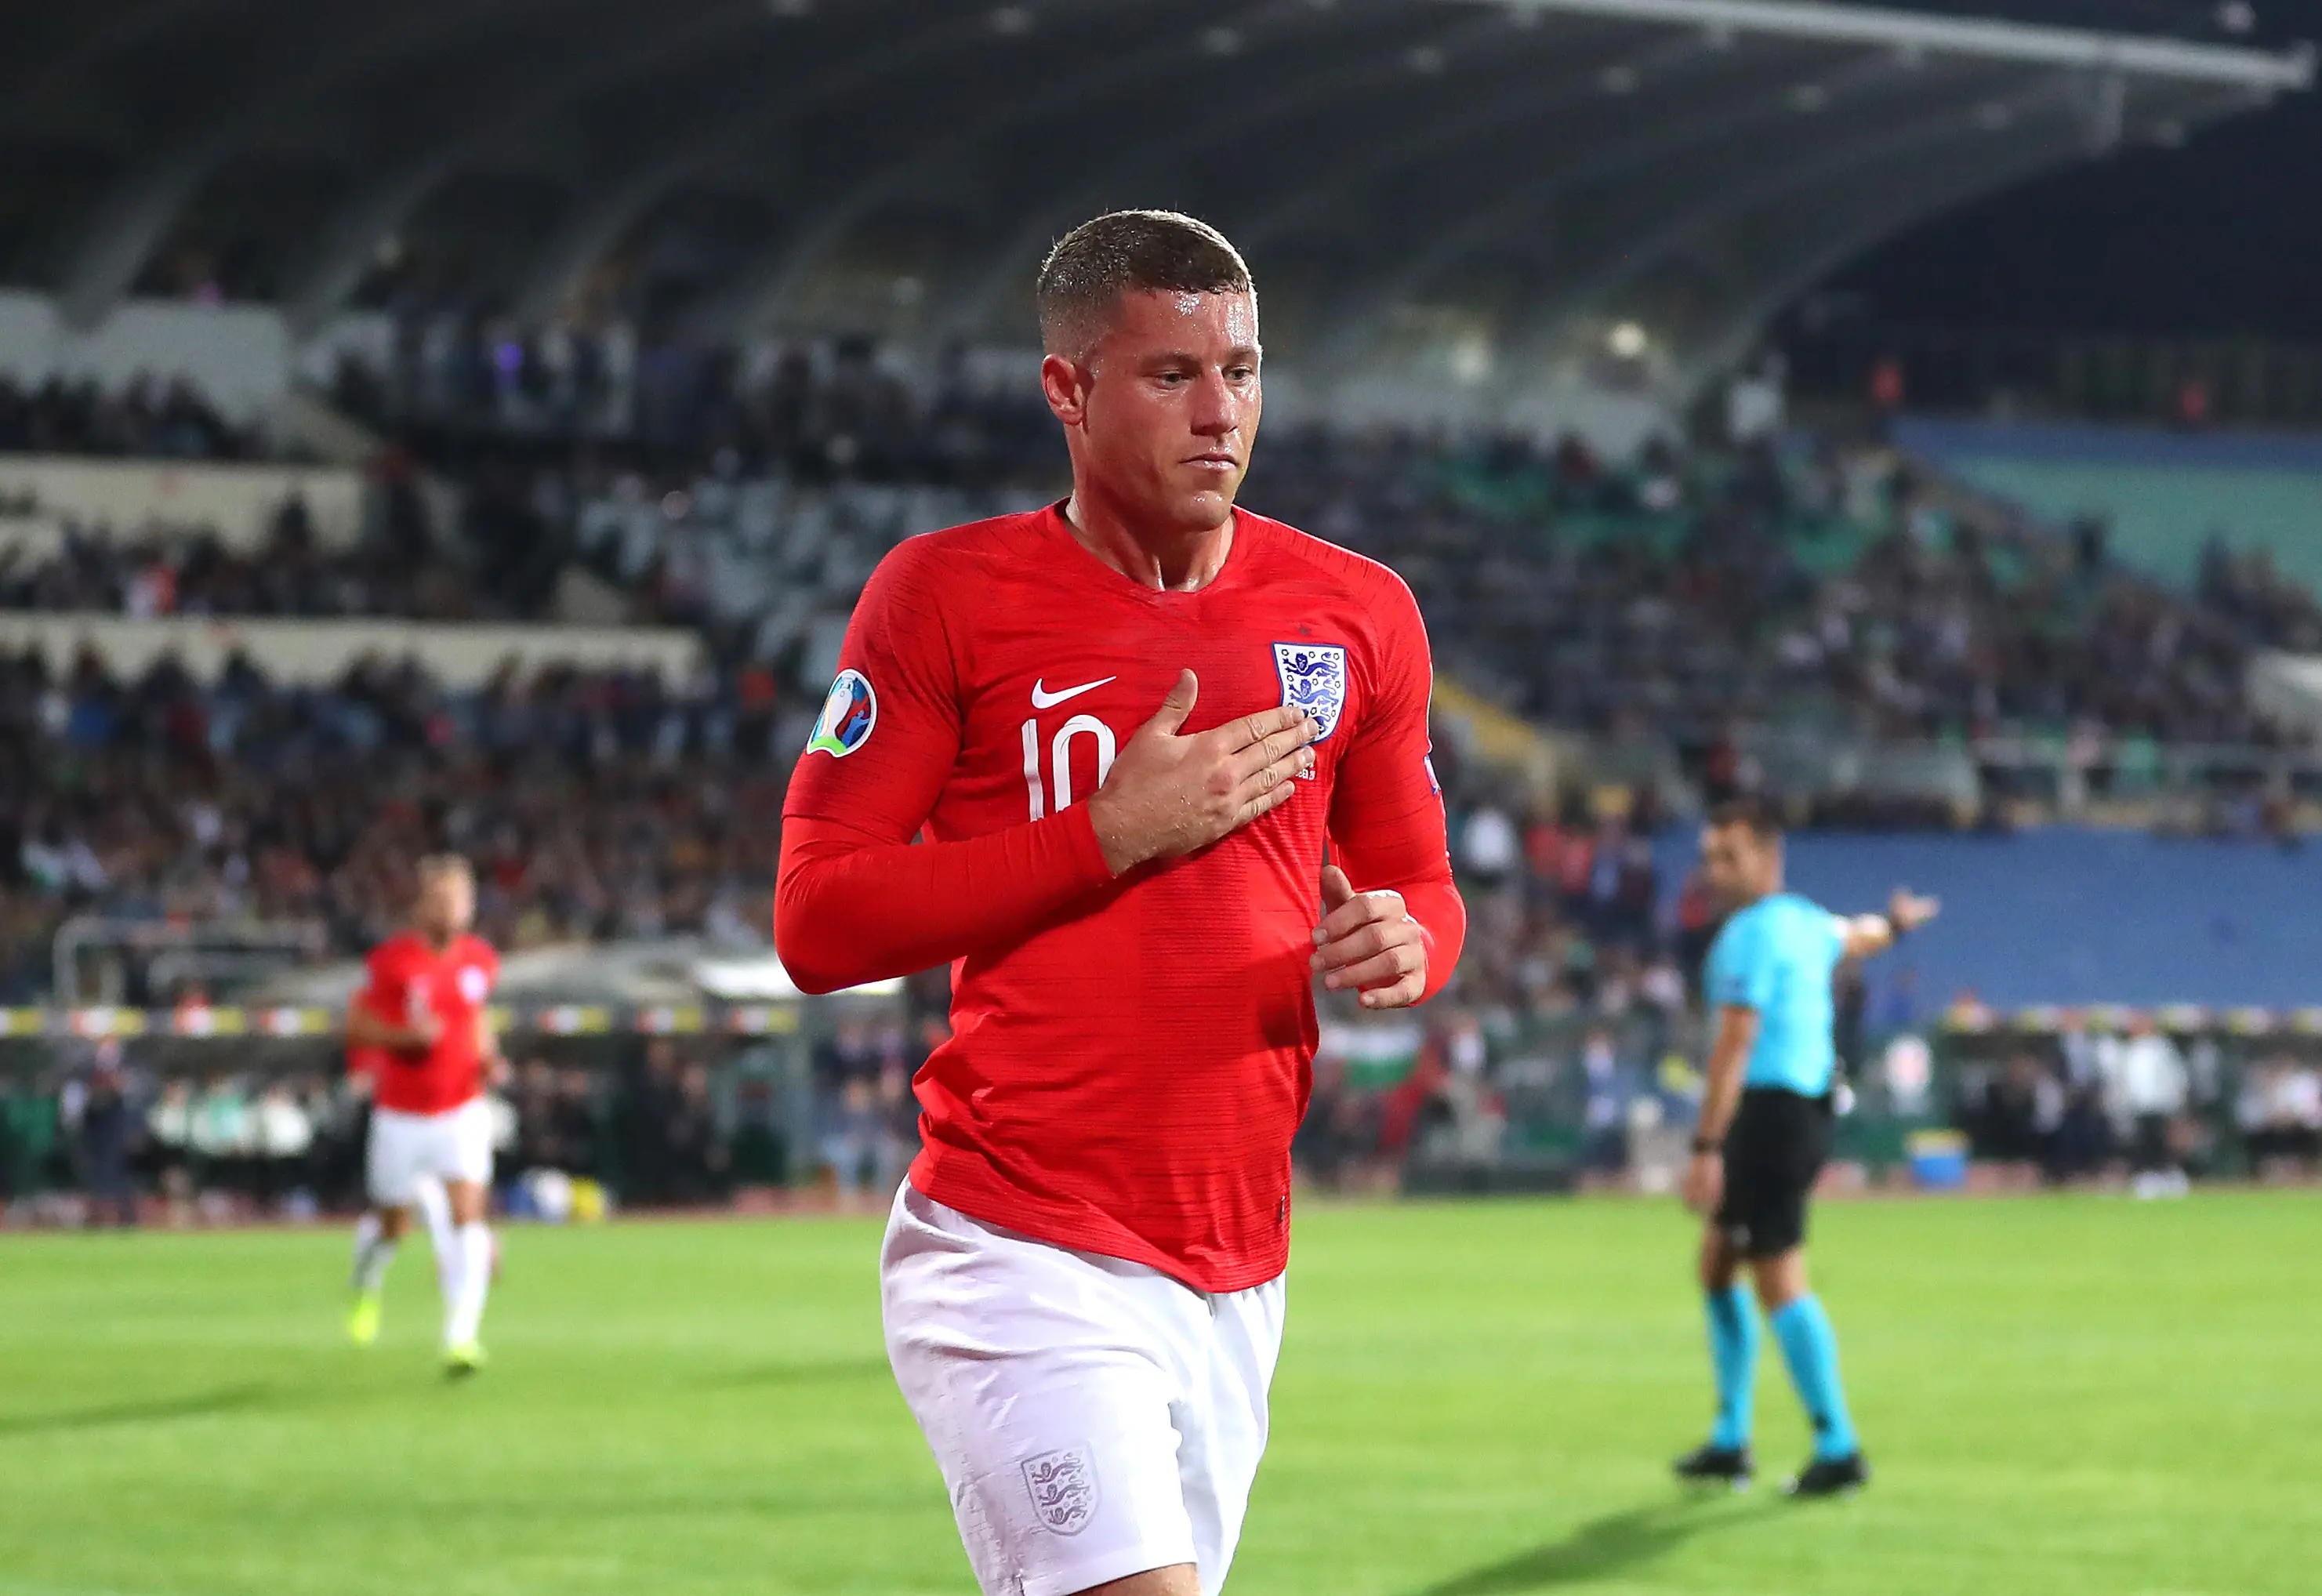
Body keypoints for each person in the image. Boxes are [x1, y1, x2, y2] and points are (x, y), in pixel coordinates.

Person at [775, 210, 1464, 1596]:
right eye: (1170, 376)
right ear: (1067, 389)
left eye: (1244, 371)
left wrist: (1411, 944)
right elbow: (817, 921)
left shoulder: (1357, 613)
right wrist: (1102, 836)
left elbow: (1422, 886)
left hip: (1236, 1262)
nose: (1220, 413)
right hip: (1016, 1244)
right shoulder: (944, 599)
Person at [1673, 798, 1938, 1499]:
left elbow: (1735, 1044)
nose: (1713, 870)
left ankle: (1838, 1446)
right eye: (1708, 856)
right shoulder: (1807, 923)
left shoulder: (1751, 937)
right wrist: (1898, 925)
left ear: (1768, 857)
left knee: (1777, 1277)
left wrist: (1705, 1145)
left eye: (1728, 855)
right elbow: (1860, 937)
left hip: (1769, 1116)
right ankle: (1731, 1440)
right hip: (1799, 1109)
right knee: (1717, 1261)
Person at [343, 854, 505, 1376]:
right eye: (443, 899)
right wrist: (403, 1038)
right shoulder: (393, 962)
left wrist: (489, 1057)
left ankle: (461, 1337)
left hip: (462, 1107)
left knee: (468, 1216)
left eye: (462, 899)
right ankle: (365, 1280)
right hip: (402, 1114)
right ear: (421, 904)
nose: (455, 909)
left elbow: (476, 1021)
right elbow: (357, 1028)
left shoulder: (479, 959)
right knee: (394, 1225)